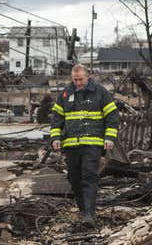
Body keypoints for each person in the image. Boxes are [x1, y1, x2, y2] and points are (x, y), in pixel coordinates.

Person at [50, 64, 119, 228]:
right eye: (75, 79)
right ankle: (83, 210)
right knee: (74, 179)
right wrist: (55, 138)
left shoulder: (100, 92)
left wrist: (109, 137)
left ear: (87, 77)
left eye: (80, 79)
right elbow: (56, 119)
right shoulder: (66, 94)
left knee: (89, 176)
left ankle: (89, 214)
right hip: (71, 145)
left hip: (92, 144)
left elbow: (112, 116)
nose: (78, 83)